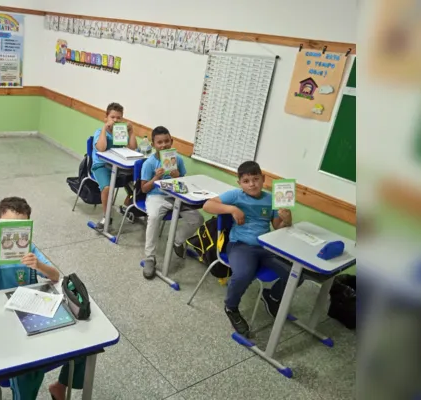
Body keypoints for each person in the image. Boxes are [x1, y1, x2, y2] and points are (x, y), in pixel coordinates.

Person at [0, 197, 82, 400]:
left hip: (33, 310)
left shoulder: (29, 248)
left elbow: (55, 276)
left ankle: (60, 385)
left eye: (21, 226)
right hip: (5, 320)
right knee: (26, 367)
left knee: (82, 346)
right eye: (8, 226)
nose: (14, 233)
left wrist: (38, 266)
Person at [202, 161, 297, 335]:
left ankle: (272, 296)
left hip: (267, 247)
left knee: (296, 274)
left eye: (255, 179)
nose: (252, 184)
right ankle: (231, 307)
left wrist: (287, 220)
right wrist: (231, 209)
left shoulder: (271, 199)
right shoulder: (236, 195)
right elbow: (207, 205)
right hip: (240, 245)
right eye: (246, 181)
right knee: (244, 274)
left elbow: (278, 227)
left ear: (263, 179)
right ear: (240, 183)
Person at [140, 126, 204, 279]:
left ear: (171, 141)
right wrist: (156, 178)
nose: (163, 145)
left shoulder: (178, 159)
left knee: (198, 219)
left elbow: (184, 181)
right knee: (154, 218)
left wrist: (178, 176)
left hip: (176, 197)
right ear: (153, 144)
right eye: (159, 142)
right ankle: (150, 257)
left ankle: (177, 239)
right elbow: (143, 189)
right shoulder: (149, 163)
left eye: (166, 141)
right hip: (156, 196)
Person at [91, 102, 138, 230]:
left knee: (138, 182)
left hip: (118, 167)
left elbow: (133, 148)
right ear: (106, 118)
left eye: (119, 118)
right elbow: (100, 149)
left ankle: (130, 207)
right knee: (107, 188)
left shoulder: (121, 133)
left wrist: (131, 131)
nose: (116, 120)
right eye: (113, 117)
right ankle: (106, 217)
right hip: (101, 166)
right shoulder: (100, 132)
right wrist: (104, 129)